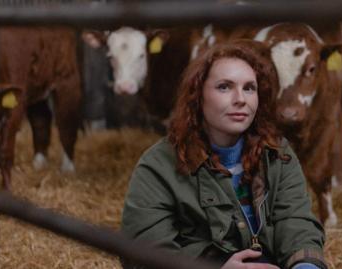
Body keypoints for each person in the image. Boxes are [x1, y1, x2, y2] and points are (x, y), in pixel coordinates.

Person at [121, 40, 327, 269]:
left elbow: (296, 220)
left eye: (249, 88)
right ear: (198, 96)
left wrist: (305, 265)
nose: (240, 99)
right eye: (224, 87)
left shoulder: (277, 153)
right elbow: (144, 252)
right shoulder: (158, 166)